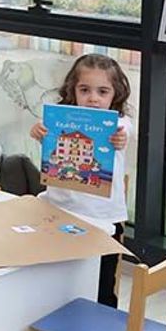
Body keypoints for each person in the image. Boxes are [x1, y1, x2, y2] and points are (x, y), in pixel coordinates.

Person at [29, 53, 132, 307]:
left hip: (102, 218)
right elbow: (47, 139)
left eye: (102, 92)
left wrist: (120, 139)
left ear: (115, 95)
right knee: (54, 275)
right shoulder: (60, 121)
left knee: (102, 285)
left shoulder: (119, 123)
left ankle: (102, 321)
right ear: (73, 91)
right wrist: (38, 131)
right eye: (84, 90)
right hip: (59, 211)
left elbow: (124, 133)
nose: (93, 98)